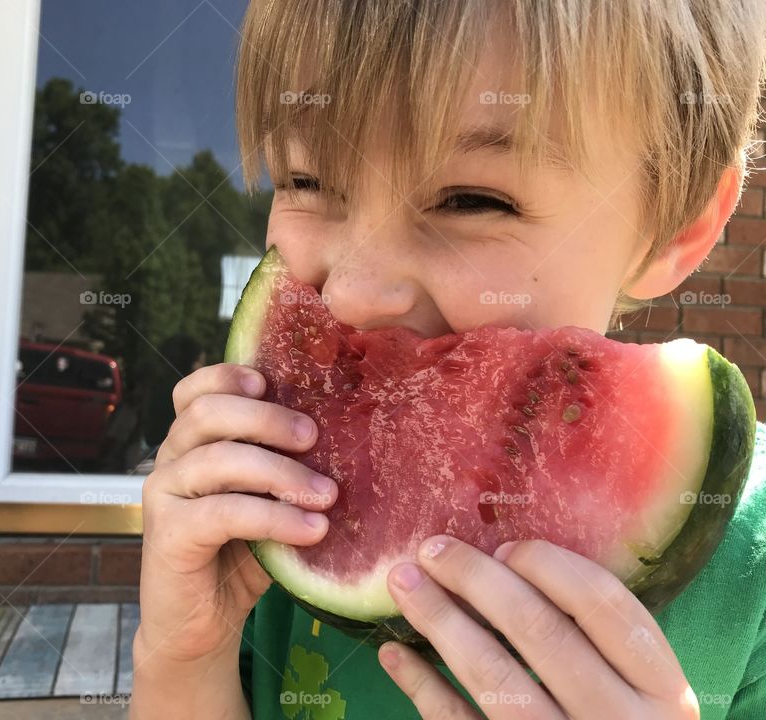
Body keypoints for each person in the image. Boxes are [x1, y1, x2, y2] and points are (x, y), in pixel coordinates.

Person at [132, 1, 766, 717]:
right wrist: (181, 656)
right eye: (306, 181)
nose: (356, 292)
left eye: (471, 200)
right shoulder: (272, 516)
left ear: (678, 228)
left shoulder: (756, 579)